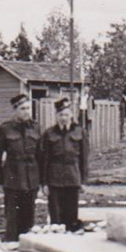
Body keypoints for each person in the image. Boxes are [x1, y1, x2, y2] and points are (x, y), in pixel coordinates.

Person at [0, 94, 41, 241]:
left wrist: (42, 180)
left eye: (28, 108)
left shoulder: (36, 128)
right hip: (13, 180)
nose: (27, 112)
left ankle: (27, 247)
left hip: (31, 180)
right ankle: (11, 244)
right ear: (15, 110)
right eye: (23, 108)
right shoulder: (5, 129)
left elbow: (41, 156)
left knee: (29, 218)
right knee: (12, 219)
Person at [38, 97, 88, 232]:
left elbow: (83, 159)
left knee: (72, 217)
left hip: (73, 178)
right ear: (56, 116)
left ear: (71, 115)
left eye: (66, 114)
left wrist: (83, 181)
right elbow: (44, 160)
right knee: (56, 218)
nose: (64, 118)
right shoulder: (49, 134)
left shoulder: (80, 132)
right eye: (61, 115)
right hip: (54, 180)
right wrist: (44, 183)